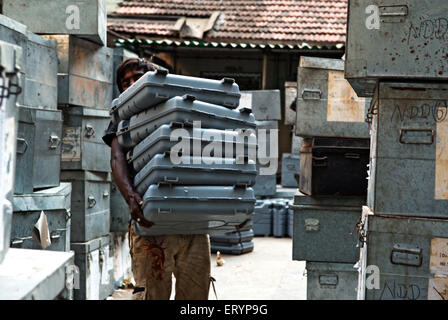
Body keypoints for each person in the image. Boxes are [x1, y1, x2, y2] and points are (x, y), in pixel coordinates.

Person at [102, 57, 212, 300]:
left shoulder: (178, 105)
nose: (131, 84)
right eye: (125, 81)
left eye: (138, 77)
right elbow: (116, 157)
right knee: (152, 295)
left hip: (193, 222)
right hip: (150, 221)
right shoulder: (122, 118)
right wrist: (130, 196)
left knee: (196, 295)